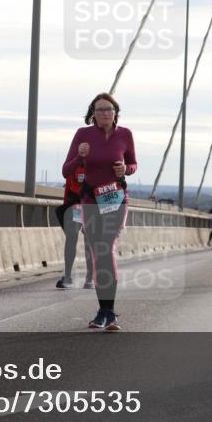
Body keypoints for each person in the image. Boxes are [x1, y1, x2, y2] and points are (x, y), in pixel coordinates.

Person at [62, 92, 137, 331]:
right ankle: (104, 311)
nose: (105, 113)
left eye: (109, 109)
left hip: (116, 198)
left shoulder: (125, 134)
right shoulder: (83, 135)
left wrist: (126, 168)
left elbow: (133, 164)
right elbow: (66, 170)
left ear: (116, 112)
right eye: (100, 109)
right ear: (92, 113)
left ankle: (109, 312)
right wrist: (80, 157)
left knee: (106, 248)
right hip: (91, 199)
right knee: (98, 254)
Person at [55, 165, 95, 289]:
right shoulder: (91, 164)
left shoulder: (75, 164)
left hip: (81, 207)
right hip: (83, 207)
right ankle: (88, 279)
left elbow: (68, 190)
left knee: (76, 240)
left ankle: (73, 278)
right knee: (85, 241)